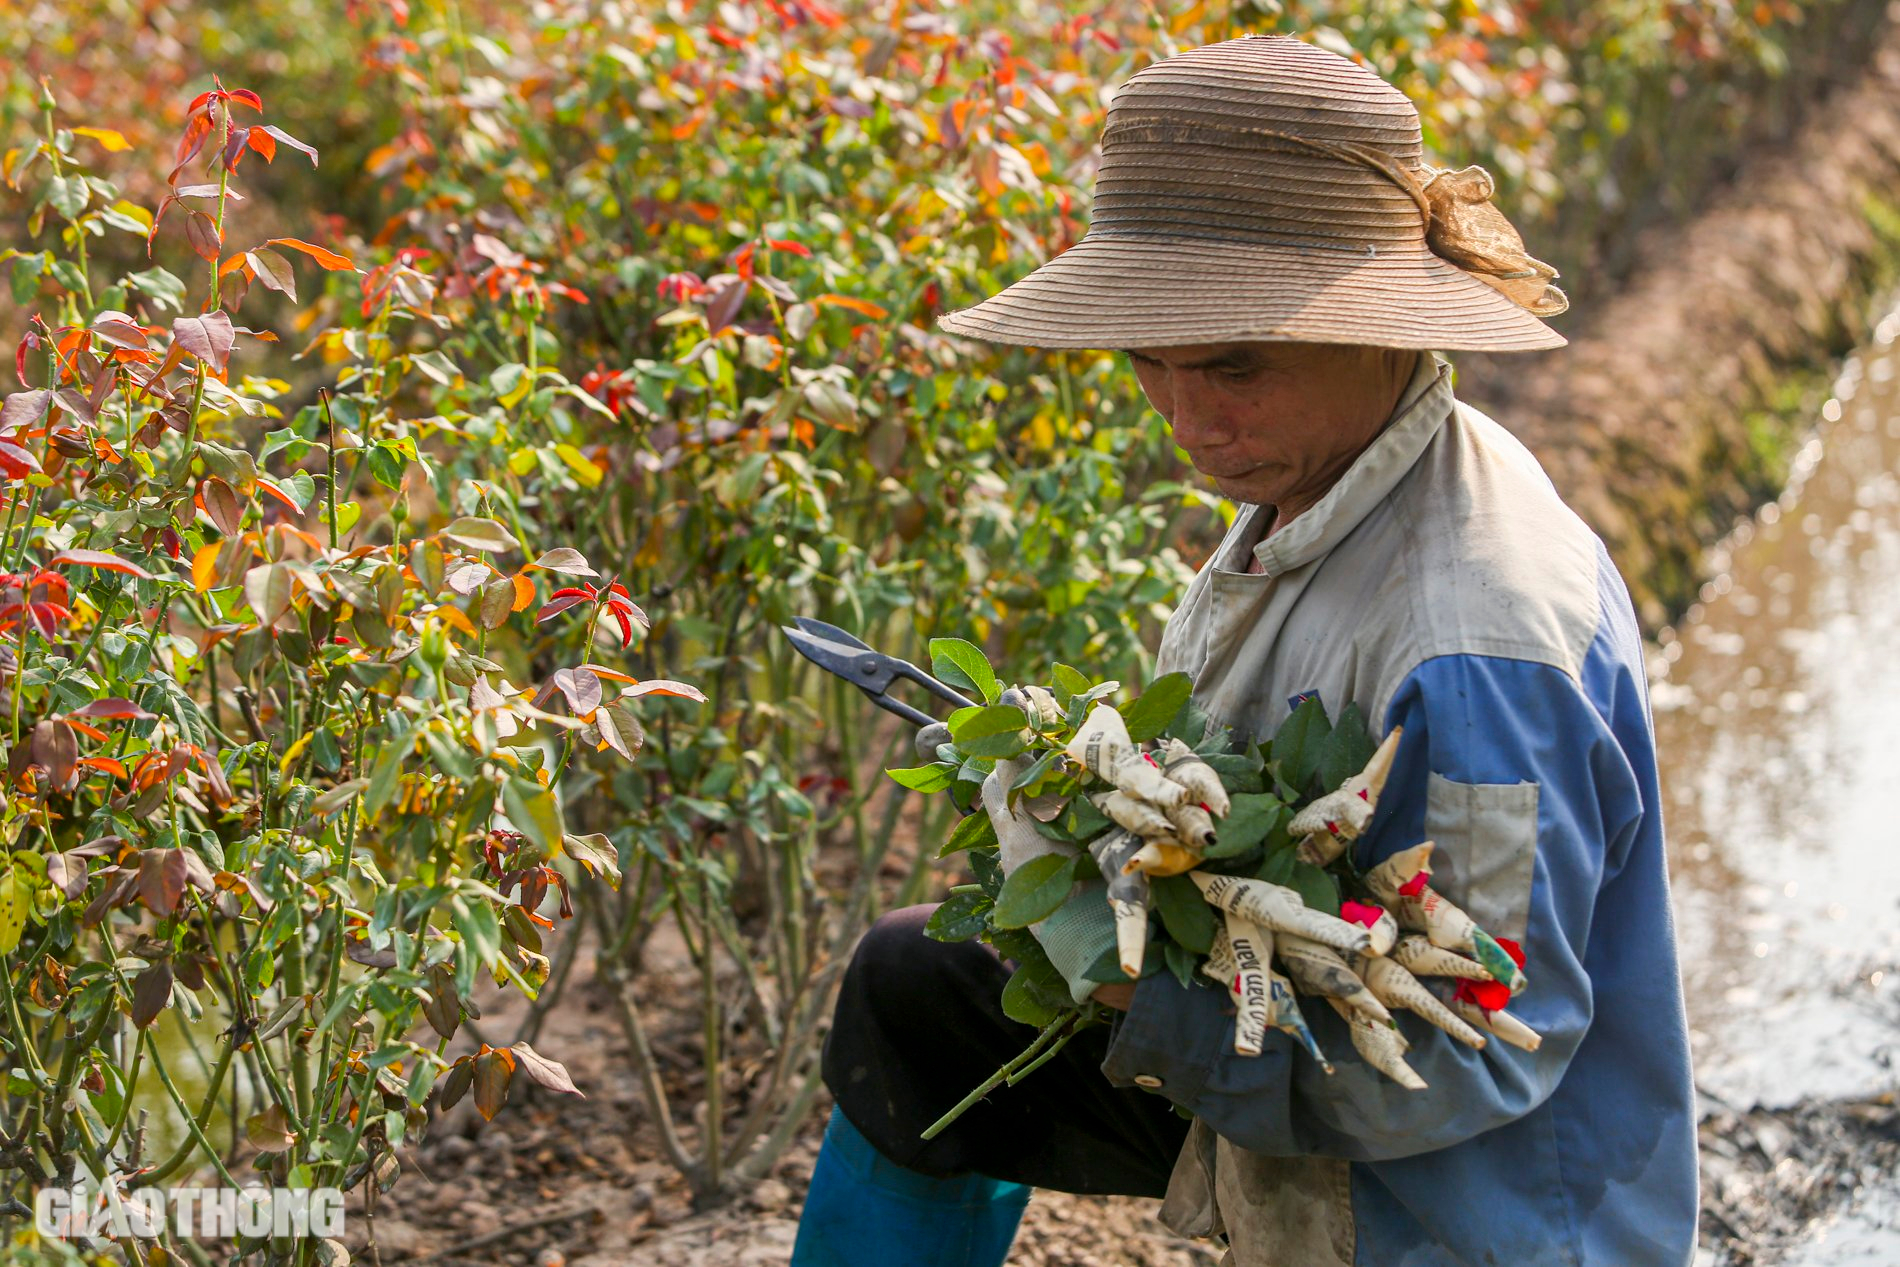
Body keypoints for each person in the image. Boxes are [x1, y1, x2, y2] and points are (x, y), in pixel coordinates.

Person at [791, 33, 1698, 1267]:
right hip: (1299, 1061)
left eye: (1231, 365)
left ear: (1379, 326)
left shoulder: (1476, 646)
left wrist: (1130, 991)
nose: (1188, 420)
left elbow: (1474, 1045)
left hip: (1458, 1206)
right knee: (918, 997)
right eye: (1150, 364)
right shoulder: (1329, 474)